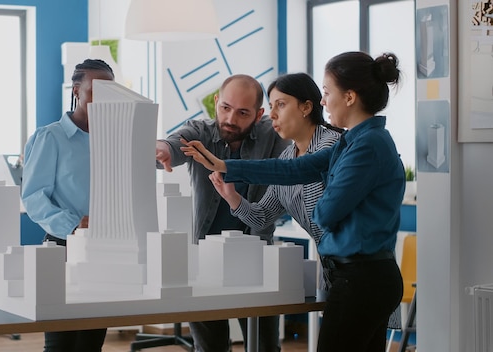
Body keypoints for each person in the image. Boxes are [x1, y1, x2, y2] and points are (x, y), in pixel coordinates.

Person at [182, 52, 405, 352]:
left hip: (362, 279)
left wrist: (327, 188)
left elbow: (324, 214)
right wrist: (224, 166)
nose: (325, 101)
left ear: (349, 97)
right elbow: (292, 170)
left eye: (327, 93)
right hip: (353, 277)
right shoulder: (350, 143)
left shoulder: (365, 146)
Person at [156, 74, 289, 352]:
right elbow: (177, 143)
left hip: (257, 258)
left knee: (265, 347)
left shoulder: (273, 136)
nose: (230, 118)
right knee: (210, 348)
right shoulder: (200, 131)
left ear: (258, 114)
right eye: (225, 108)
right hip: (204, 262)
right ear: (216, 102)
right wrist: (164, 149)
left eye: (242, 113)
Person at [208, 72, 342, 290]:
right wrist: (231, 196)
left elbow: (296, 172)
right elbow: (261, 218)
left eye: (280, 105)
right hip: (331, 270)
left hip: (356, 267)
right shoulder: (288, 156)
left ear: (306, 107)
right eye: (271, 106)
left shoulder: (332, 146)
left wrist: (228, 167)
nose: (273, 115)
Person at [21, 59, 114, 352]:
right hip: (62, 250)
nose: (102, 98)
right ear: (77, 90)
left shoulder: (113, 138)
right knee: (60, 344)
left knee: (91, 344)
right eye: (95, 90)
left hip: (104, 250)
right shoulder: (51, 137)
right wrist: (73, 224)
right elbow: (33, 197)